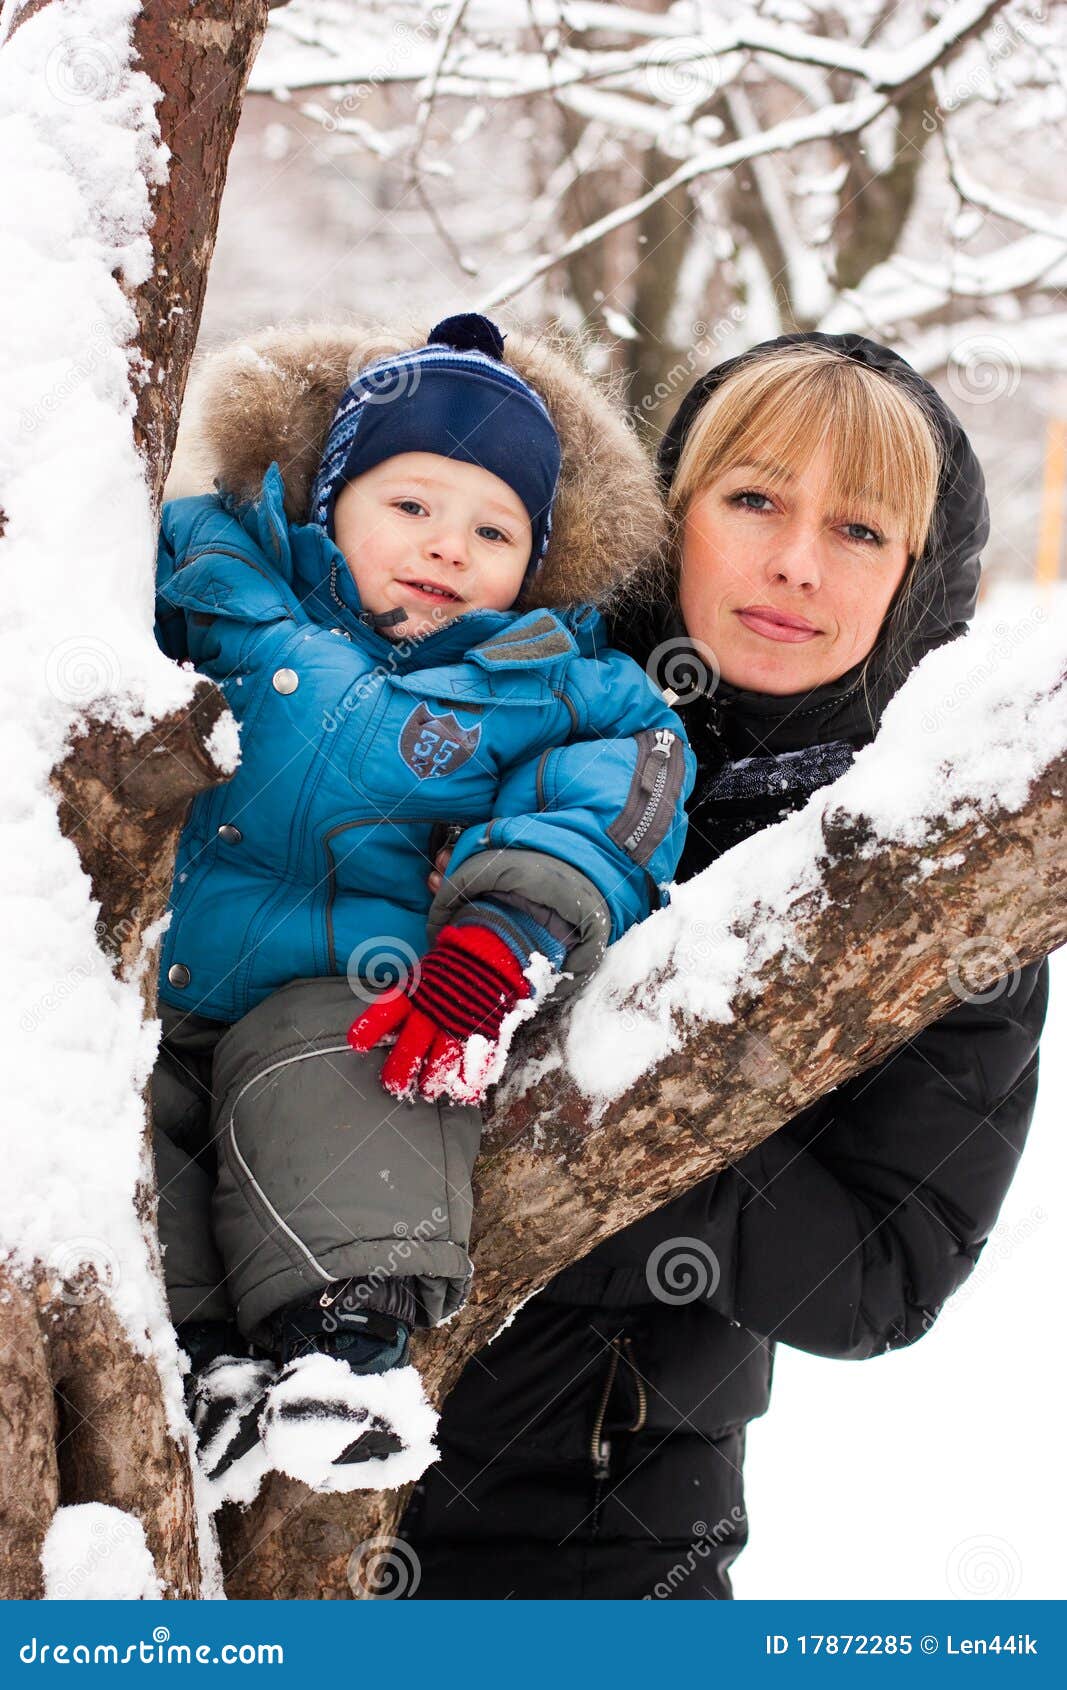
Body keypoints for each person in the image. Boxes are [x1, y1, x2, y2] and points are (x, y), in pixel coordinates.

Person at [400, 331, 1050, 1598]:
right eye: (752, 499)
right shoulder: (491, 700)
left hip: (603, 1535)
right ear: (674, 514)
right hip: (233, 1476)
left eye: (859, 531)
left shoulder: (932, 875)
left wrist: (624, 1132)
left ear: (914, 579)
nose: (793, 563)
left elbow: (885, 1273)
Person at [150, 313, 694, 1500]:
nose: (448, 547)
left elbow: (617, 792)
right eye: (410, 506)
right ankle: (192, 1376)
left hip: (345, 985)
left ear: (536, 561)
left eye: (492, 529)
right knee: (137, 1156)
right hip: (146, 984)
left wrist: (502, 937)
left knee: (351, 1076)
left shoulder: (553, 682)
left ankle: (339, 1349)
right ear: (324, 498)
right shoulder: (217, 574)